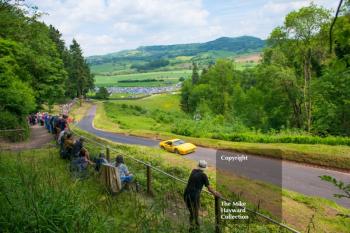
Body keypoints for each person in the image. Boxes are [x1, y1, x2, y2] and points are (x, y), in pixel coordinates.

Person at [183, 160, 221, 230]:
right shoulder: (204, 175)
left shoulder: (193, 171)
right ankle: (196, 228)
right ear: (204, 168)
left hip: (186, 194)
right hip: (194, 196)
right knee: (195, 213)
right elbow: (209, 189)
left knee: (192, 212)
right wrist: (216, 193)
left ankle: (192, 227)